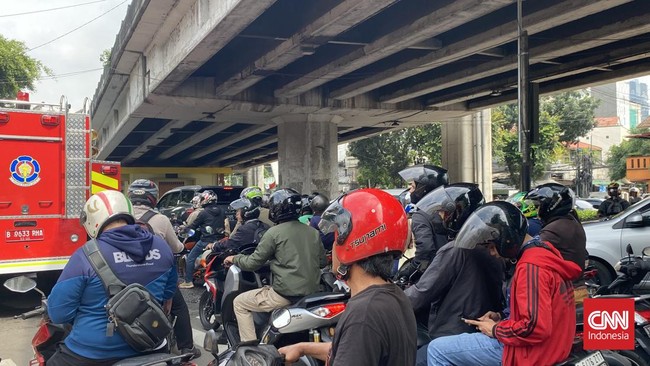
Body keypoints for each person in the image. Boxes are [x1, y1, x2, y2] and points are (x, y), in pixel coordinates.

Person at [427, 201, 581, 366]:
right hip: (553, 346)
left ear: (506, 240)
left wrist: (494, 329)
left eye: (492, 247)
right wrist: (501, 316)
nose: (492, 253)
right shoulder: (544, 250)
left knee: (437, 350)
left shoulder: (530, 268)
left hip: (531, 353)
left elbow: (535, 327)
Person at [278, 189, 417, 365]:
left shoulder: (364, 314)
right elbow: (351, 350)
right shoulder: (394, 295)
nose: (334, 246)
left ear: (352, 243)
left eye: (337, 238)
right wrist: (302, 348)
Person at [47, 190, 177, 366]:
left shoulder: (85, 255)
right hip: (153, 345)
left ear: (92, 221)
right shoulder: (162, 247)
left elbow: (59, 314)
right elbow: (168, 297)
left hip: (93, 353)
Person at [404, 184, 503, 366]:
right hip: (479, 328)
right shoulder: (490, 245)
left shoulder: (456, 250)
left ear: (457, 214)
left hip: (453, 330)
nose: (441, 217)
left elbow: (422, 293)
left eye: (444, 213)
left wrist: (391, 299)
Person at [223, 188, 326, 342]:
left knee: (239, 303)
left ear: (276, 209)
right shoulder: (313, 232)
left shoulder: (273, 233)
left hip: (284, 295)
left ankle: (249, 349)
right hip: (312, 294)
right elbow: (322, 262)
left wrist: (234, 258)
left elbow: (252, 263)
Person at [126, 179, 199, 359]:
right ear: (152, 198)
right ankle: (187, 348)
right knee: (180, 307)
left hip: (122, 275)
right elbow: (176, 248)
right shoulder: (160, 219)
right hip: (156, 276)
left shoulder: (120, 217)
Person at [525, 183, 588, 304]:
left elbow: (530, 249)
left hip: (567, 293)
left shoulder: (556, 228)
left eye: (539, 205)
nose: (537, 210)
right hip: (574, 288)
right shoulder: (569, 220)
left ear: (551, 205)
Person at [397, 164, 449, 277]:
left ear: (423, 190)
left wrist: (407, 273)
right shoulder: (449, 213)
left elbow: (425, 251)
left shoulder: (421, 216)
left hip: (433, 277)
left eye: (413, 187)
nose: (410, 191)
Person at [179, 190, 226, 289]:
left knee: (191, 258)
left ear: (205, 200)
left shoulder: (203, 213)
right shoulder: (222, 211)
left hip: (206, 241)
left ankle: (188, 281)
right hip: (220, 241)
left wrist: (184, 229)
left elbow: (193, 226)